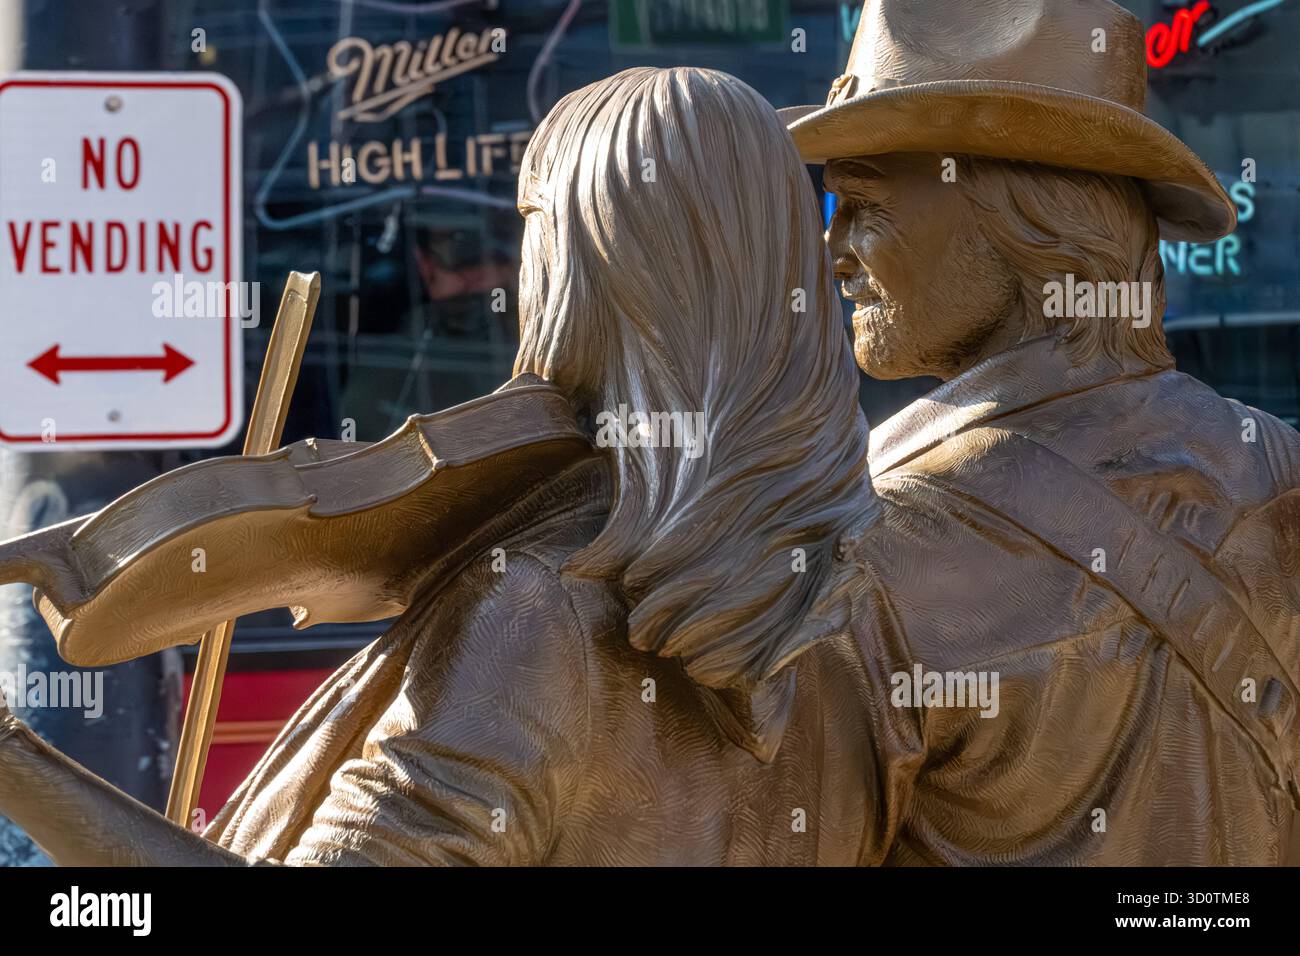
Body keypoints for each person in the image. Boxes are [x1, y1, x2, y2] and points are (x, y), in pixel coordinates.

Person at [0, 66, 880, 865]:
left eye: (537, 231)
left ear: (595, 269)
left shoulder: (542, 617)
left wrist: (14, 759)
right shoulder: (862, 593)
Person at [779, 0, 1300, 863]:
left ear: (1017, 217)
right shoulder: (1278, 467)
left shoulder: (869, 545)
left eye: (864, 203)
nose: (831, 249)